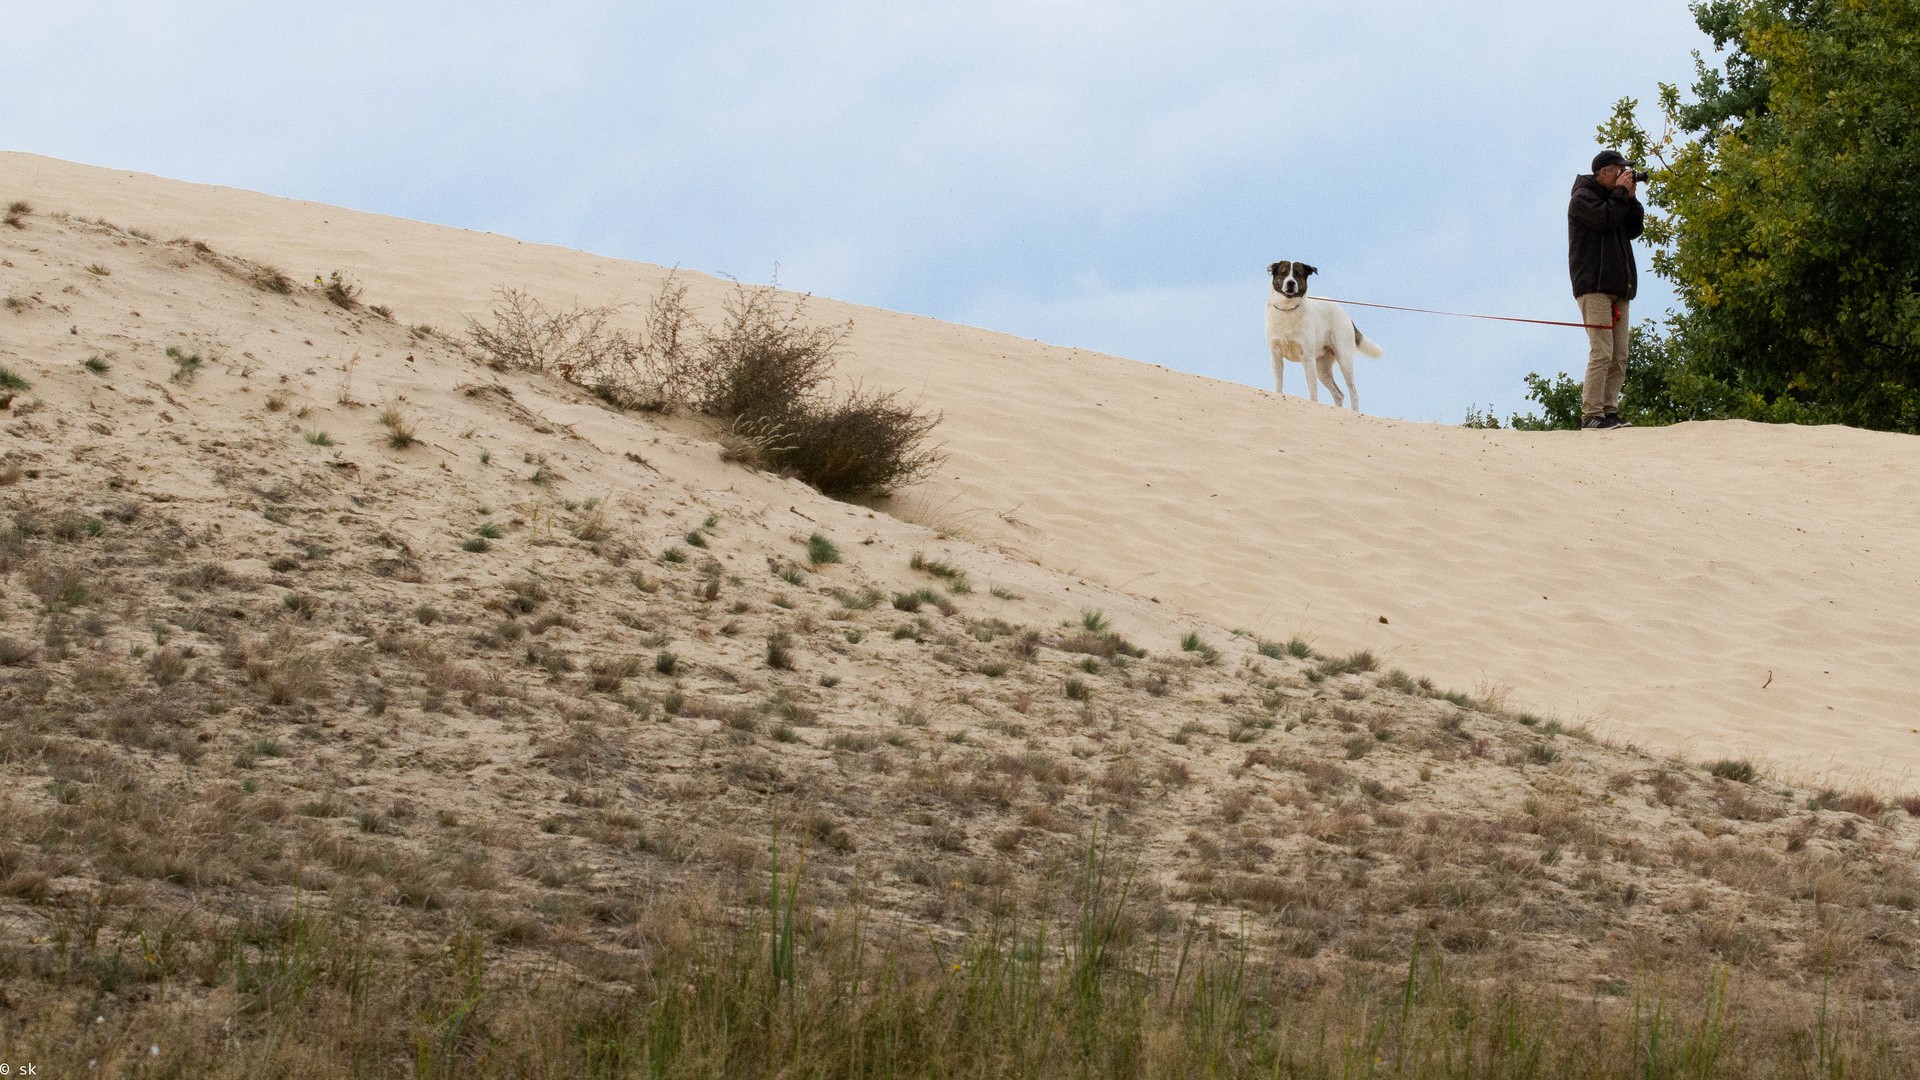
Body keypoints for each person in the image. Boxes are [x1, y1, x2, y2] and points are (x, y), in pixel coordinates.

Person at [1568, 149, 1644, 429]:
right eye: (1618, 169)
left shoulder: (1617, 199)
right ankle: (1592, 415)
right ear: (1602, 172)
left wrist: (1631, 198)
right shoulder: (1582, 199)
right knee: (1601, 352)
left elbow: (1634, 229)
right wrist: (1620, 195)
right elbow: (1604, 219)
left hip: (1618, 286)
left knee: (1620, 354)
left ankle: (1610, 411)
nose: (1624, 173)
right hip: (1594, 286)